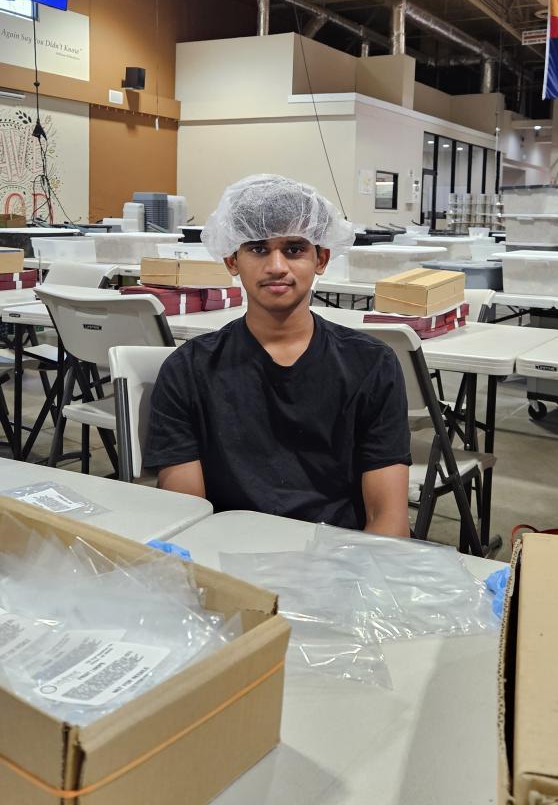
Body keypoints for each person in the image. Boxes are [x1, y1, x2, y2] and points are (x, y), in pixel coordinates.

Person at [144, 174, 411, 535]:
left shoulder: (372, 365)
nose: (276, 267)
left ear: (321, 258)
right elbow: (186, 518)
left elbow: (388, 520)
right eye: (257, 249)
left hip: (340, 558)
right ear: (232, 260)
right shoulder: (188, 371)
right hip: (225, 555)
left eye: (294, 249)